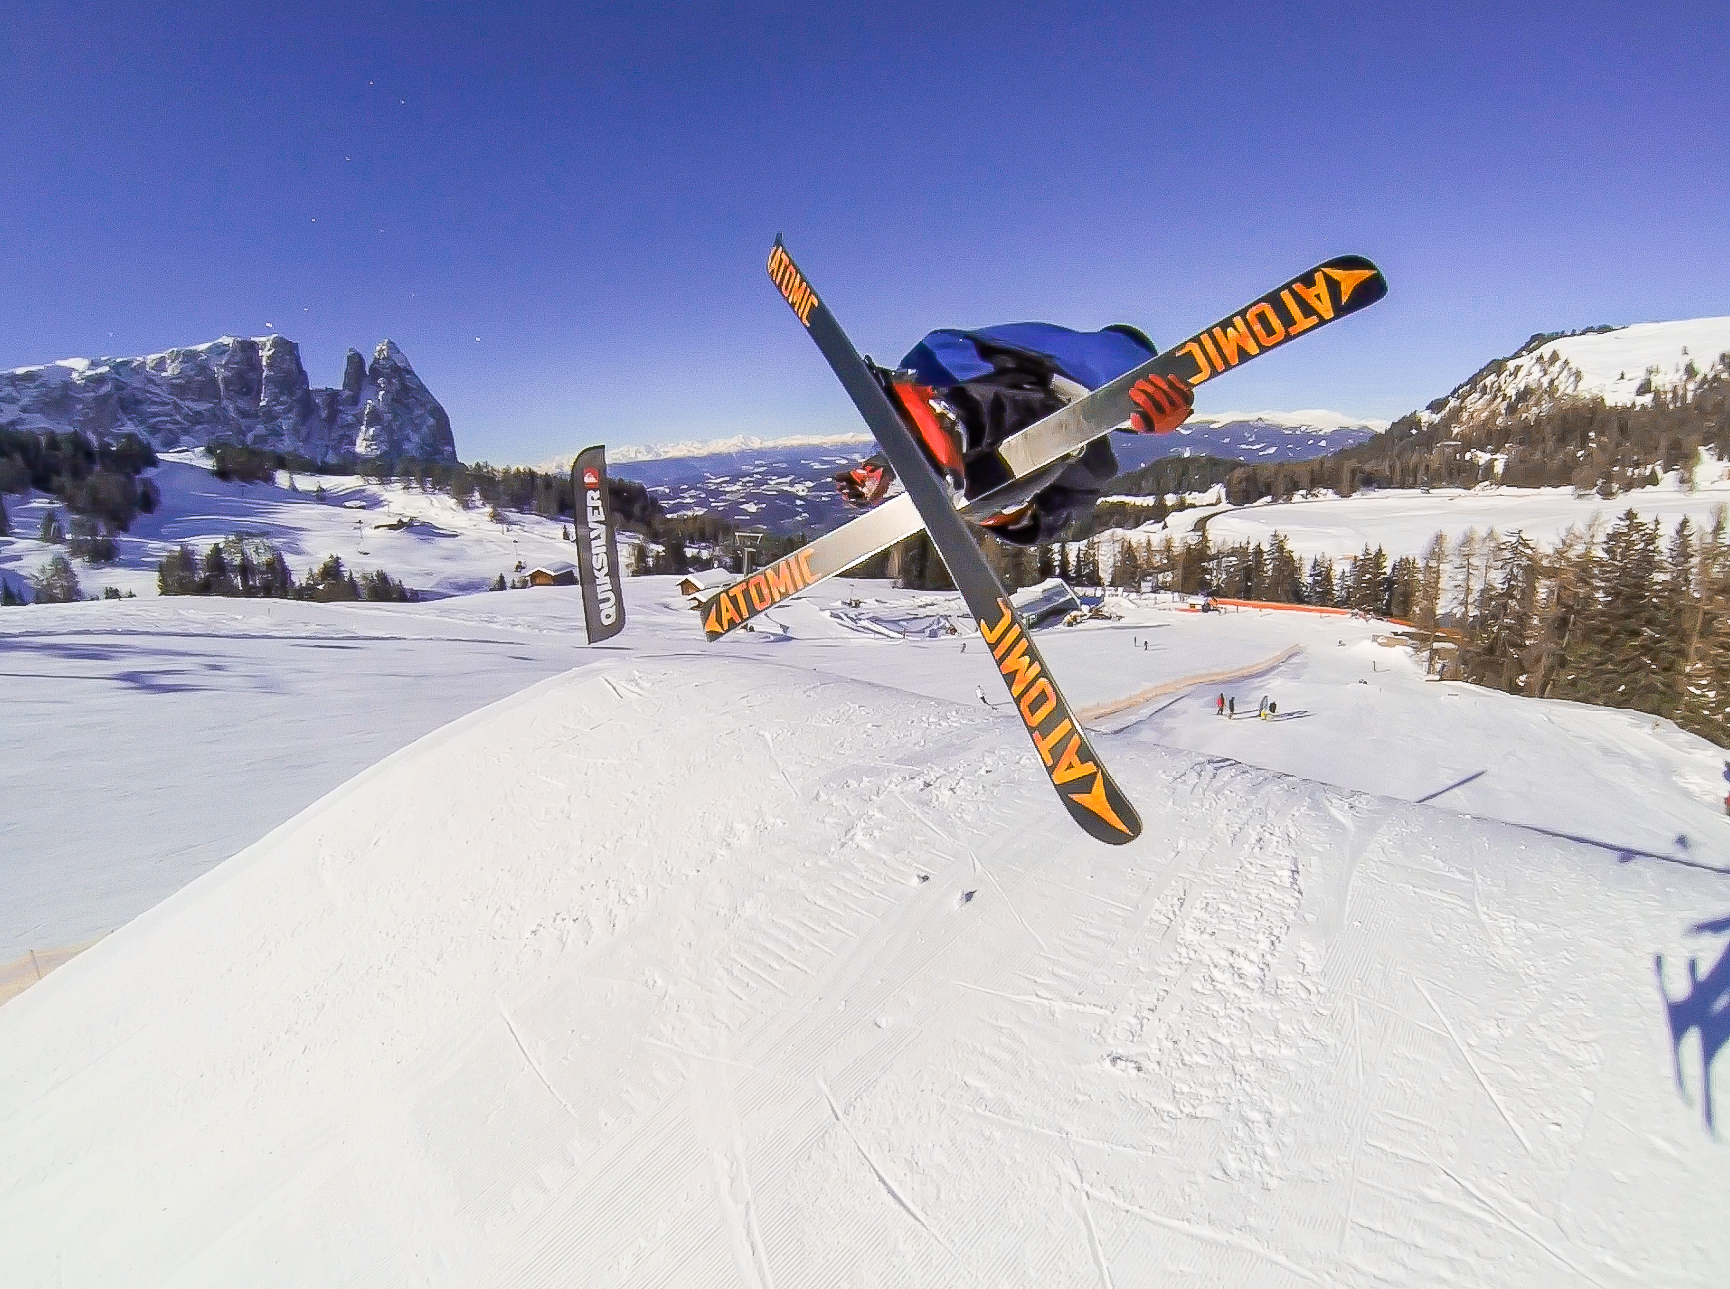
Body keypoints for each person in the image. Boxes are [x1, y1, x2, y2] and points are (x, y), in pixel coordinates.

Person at [834, 322, 1194, 545]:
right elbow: (1116, 359)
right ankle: (950, 430)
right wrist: (1157, 389)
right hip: (956, 375)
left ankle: (994, 501)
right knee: (1065, 436)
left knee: (1091, 468)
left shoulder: (1088, 439)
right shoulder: (1096, 348)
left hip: (938, 387)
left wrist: (884, 459)